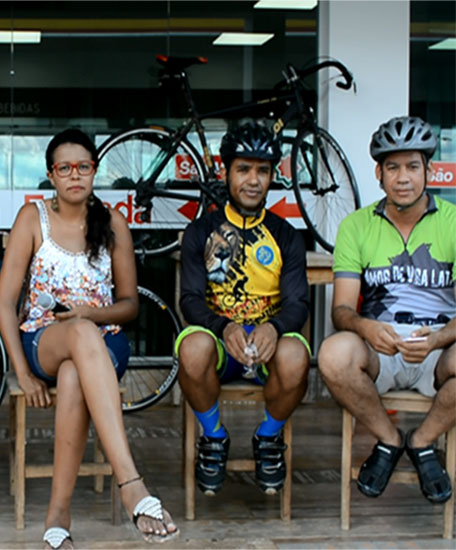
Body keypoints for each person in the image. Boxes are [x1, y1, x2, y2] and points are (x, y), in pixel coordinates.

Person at [0, 128, 178, 549]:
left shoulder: (112, 222)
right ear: (51, 174)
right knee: (77, 334)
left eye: (84, 167)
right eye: (65, 168)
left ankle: (58, 513)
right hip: (43, 340)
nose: (74, 175)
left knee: (78, 367)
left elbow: (130, 305)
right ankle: (130, 483)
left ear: (95, 171)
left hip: (104, 343)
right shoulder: (32, 218)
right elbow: (6, 304)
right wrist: (22, 373)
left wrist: (89, 313)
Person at [318, 115, 454, 504]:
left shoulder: (454, 223)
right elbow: (342, 310)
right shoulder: (355, 226)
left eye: (413, 166)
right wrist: (366, 328)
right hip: (382, 349)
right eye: (392, 167)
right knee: (333, 352)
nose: (403, 177)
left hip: (440, 348)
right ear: (379, 174)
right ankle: (390, 439)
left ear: (429, 170)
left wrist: (439, 339)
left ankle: (424, 442)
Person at [176, 120, 310, 497]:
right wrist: (225, 328)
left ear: (273, 176)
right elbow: (189, 300)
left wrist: (274, 329)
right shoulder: (202, 231)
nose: (253, 180)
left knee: (297, 356)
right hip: (222, 345)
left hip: (268, 347)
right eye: (244, 169)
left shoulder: (286, 235)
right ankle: (214, 437)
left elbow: (298, 301)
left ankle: (268, 437)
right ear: (226, 171)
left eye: (263, 171)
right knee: (192, 348)